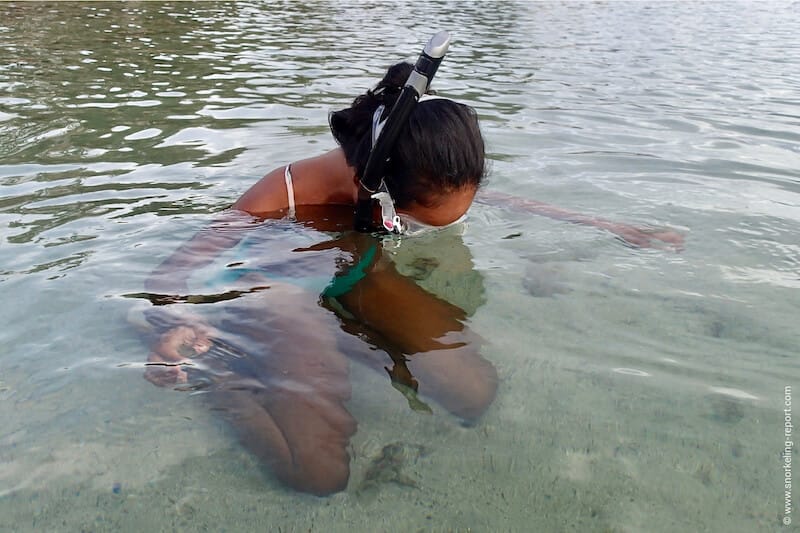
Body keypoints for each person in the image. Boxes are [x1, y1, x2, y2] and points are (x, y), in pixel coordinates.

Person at [138, 61, 683, 496]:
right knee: (317, 474)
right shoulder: (272, 197)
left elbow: (496, 198)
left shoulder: (411, 169)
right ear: (381, 188)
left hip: (354, 279)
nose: (423, 226)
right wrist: (172, 328)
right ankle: (229, 384)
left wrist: (616, 227)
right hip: (280, 295)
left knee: (474, 392)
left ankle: (352, 345)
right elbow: (167, 279)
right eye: (418, 219)